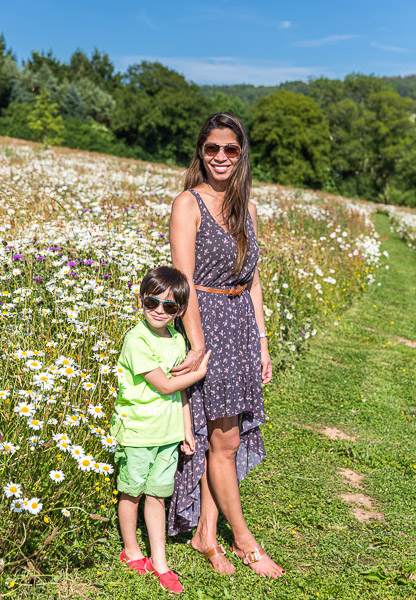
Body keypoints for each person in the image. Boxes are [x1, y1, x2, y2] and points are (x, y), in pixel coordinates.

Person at [168, 112, 285, 578]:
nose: (220, 157)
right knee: (223, 439)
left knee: (227, 439)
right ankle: (244, 540)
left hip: (240, 326)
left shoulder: (247, 209)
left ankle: (205, 534)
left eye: (230, 150)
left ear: (241, 155)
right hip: (207, 324)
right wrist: (196, 343)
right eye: (212, 148)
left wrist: (262, 340)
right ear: (201, 152)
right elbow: (184, 282)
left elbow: (253, 280)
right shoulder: (187, 204)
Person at [110, 266, 210, 594]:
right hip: (137, 432)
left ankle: (160, 560)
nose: (158, 311)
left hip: (166, 435)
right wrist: (199, 373)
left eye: (169, 307)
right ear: (141, 300)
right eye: (152, 302)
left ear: (179, 311)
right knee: (132, 491)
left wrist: (186, 429)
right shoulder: (136, 340)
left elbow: (179, 393)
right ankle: (132, 550)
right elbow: (166, 385)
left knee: (157, 495)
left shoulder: (178, 340)